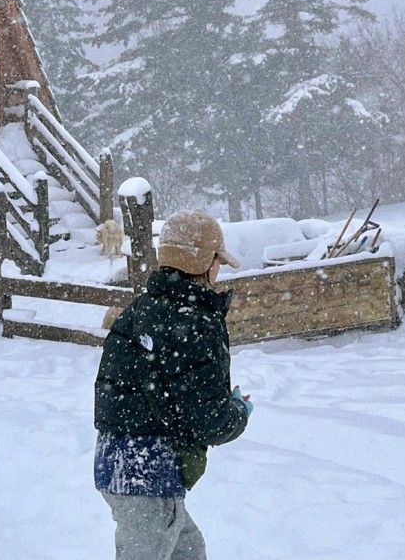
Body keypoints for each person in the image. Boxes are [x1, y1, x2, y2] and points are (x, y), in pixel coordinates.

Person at [94, 210, 253, 559]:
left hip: (118, 463)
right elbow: (209, 420)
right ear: (206, 263)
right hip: (149, 474)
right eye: (217, 260)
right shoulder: (195, 322)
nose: (219, 269)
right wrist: (238, 412)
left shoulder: (144, 307)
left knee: (189, 550)